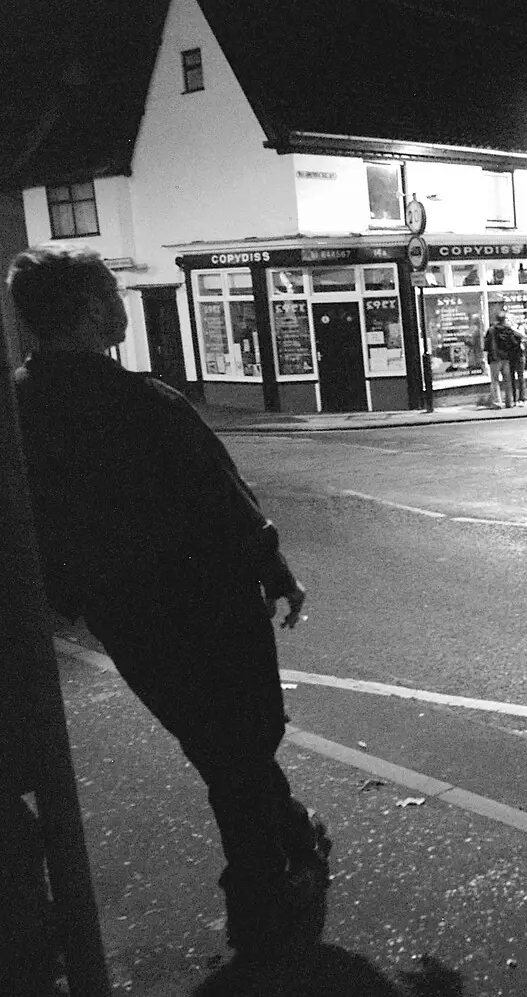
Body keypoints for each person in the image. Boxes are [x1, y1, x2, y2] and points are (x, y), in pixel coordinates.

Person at [7, 246, 330, 965]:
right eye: (114, 293)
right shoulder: (143, 403)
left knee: (216, 742)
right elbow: (224, 502)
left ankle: (290, 835)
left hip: (124, 620)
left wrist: (69, 595)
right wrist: (276, 571)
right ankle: (256, 894)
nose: (123, 305)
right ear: (92, 311)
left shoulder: (19, 408)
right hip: (210, 607)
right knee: (247, 736)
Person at [482, 311, 523, 408]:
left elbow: (486, 345)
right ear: (504, 319)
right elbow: (513, 342)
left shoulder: (491, 330)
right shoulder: (508, 330)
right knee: (507, 381)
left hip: (494, 358)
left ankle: (498, 402)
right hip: (506, 358)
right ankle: (509, 402)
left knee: (495, 381)